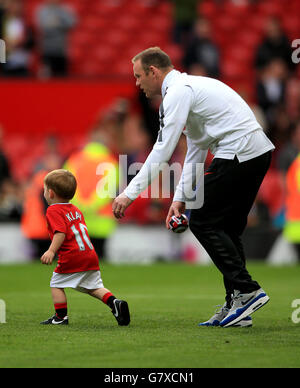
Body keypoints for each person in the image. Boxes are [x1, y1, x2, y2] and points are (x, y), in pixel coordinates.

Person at [112, 47, 275, 328]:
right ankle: (238, 303)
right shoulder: (190, 88)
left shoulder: (177, 92)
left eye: (139, 76)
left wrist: (129, 193)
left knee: (202, 221)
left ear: (154, 71)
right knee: (227, 227)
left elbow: (163, 149)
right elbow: (196, 149)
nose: (137, 83)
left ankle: (247, 290)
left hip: (239, 151)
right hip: (255, 152)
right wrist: (181, 198)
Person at [40, 169, 130, 326]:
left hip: (72, 256)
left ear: (51, 193)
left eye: (45, 190)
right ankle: (115, 303)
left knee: (56, 284)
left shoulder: (53, 210)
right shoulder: (75, 209)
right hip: (89, 254)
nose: (44, 193)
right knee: (93, 287)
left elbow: (60, 233)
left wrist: (51, 250)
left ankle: (60, 317)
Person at [35, 0, 77, 77]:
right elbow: (43, 28)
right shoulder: (42, 10)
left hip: (61, 50)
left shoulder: (64, 9)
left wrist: (57, 24)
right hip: (46, 50)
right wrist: (60, 26)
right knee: (46, 77)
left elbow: (72, 23)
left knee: (60, 77)